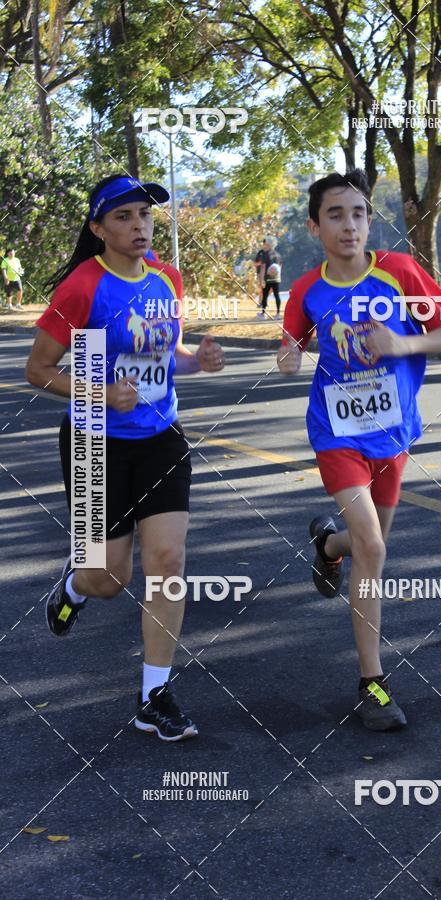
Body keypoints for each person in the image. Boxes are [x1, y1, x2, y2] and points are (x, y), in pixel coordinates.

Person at [25, 174, 225, 742]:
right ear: (98, 228)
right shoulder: (83, 288)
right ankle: (74, 585)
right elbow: (38, 370)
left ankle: (153, 696)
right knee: (109, 579)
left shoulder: (166, 278)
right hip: (94, 440)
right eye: (124, 216)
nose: (139, 225)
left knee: (168, 561)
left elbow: (168, 354)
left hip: (161, 436)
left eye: (145, 214)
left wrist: (198, 360)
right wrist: (101, 391)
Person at [276, 169, 441, 731]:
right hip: (336, 432)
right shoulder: (306, 290)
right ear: (315, 227)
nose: (349, 225)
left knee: (364, 544)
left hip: (393, 432)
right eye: (335, 215)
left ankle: (328, 546)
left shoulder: (399, 271)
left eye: (358, 213)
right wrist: (289, 357)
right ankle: (371, 683)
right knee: (373, 548)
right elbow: (289, 347)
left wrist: (401, 342)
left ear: (369, 221)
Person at [257, 235, 283, 319]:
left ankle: (263, 314)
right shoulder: (278, 255)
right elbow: (280, 266)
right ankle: (278, 314)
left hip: (267, 278)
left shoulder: (265, 254)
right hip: (276, 278)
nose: (264, 245)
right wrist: (278, 277)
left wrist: (261, 280)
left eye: (265, 244)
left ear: (268, 244)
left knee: (265, 296)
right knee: (276, 295)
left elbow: (263, 267)